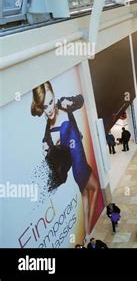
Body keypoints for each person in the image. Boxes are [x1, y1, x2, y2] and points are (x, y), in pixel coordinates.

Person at [31, 82, 100, 237]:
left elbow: (81, 99)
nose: (49, 110)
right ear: (41, 108)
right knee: (94, 188)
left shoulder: (63, 105)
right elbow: (54, 157)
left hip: (79, 166)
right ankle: (90, 229)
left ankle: (88, 233)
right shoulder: (48, 133)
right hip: (79, 165)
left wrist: (71, 101)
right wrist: (47, 149)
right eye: (44, 107)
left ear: (54, 97)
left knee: (85, 195)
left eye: (50, 102)